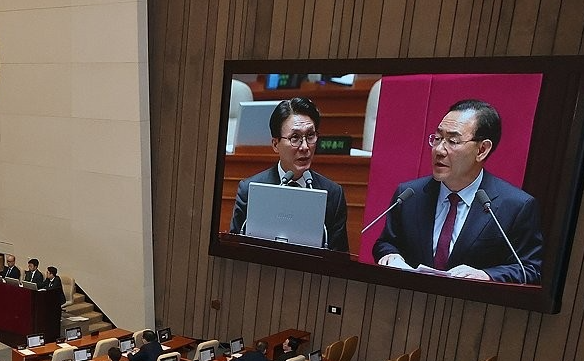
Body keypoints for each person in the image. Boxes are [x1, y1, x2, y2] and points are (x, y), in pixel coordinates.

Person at [373, 99, 544, 284]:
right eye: (437, 138)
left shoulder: (516, 206)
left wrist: (487, 275)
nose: (439, 150)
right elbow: (386, 243)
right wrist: (391, 255)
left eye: (453, 141)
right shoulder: (409, 195)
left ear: (482, 150)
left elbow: (530, 269)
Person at [228, 97, 348, 252]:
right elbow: (234, 249)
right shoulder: (250, 189)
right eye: (295, 138)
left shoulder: (333, 194)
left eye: (310, 136)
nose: (305, 147)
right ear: (275, 144)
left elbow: (339, 257)